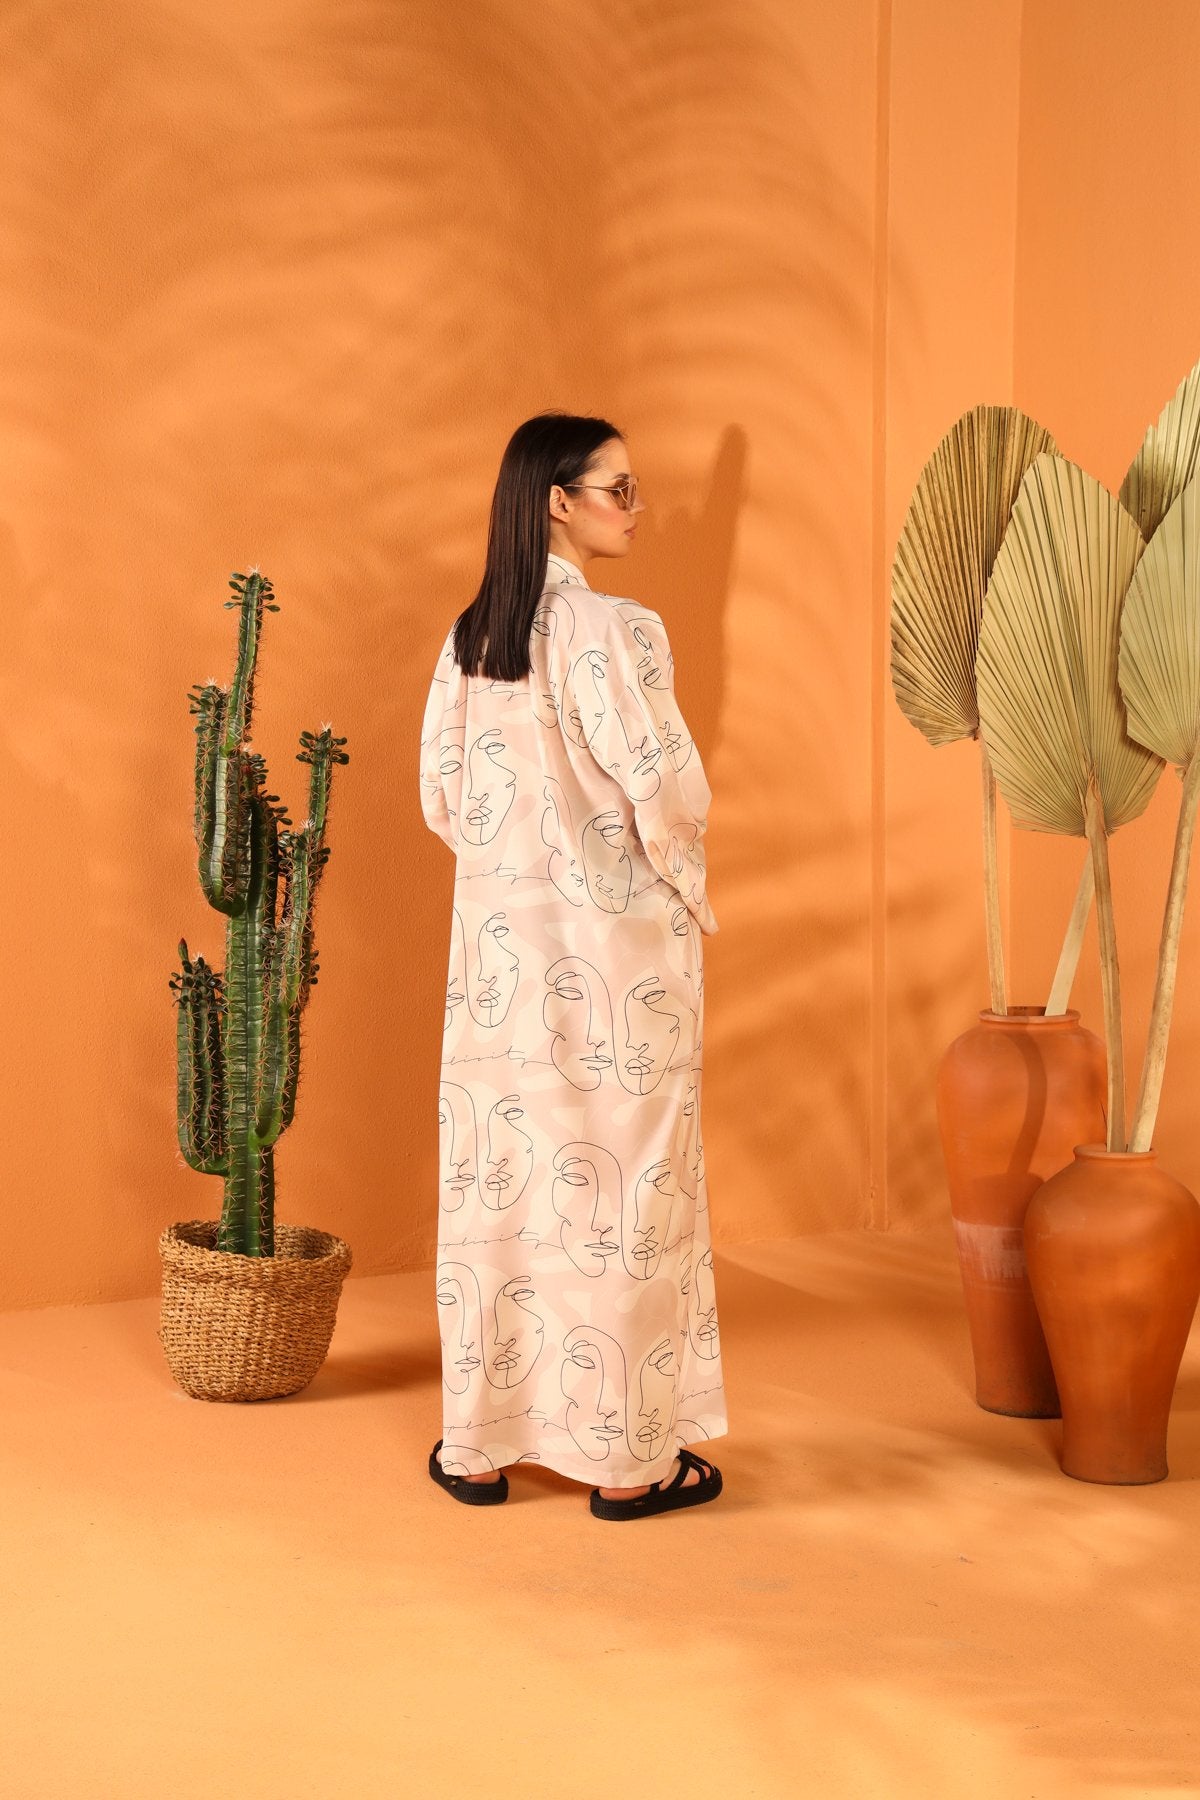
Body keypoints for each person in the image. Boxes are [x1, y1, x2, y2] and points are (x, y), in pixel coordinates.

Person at [418, 411, 728, 1520]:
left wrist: (516, 876)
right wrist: (672, 887)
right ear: (559, 500)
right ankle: (628, 1463)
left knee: (502, 1184)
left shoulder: (472, 639)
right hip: (617, 959)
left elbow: (441, 797)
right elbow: (666, 788)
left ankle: (478, 1449)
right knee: (624, 1191)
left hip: (500, 967)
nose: (637, 509)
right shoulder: (613, 628)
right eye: (620, 489)